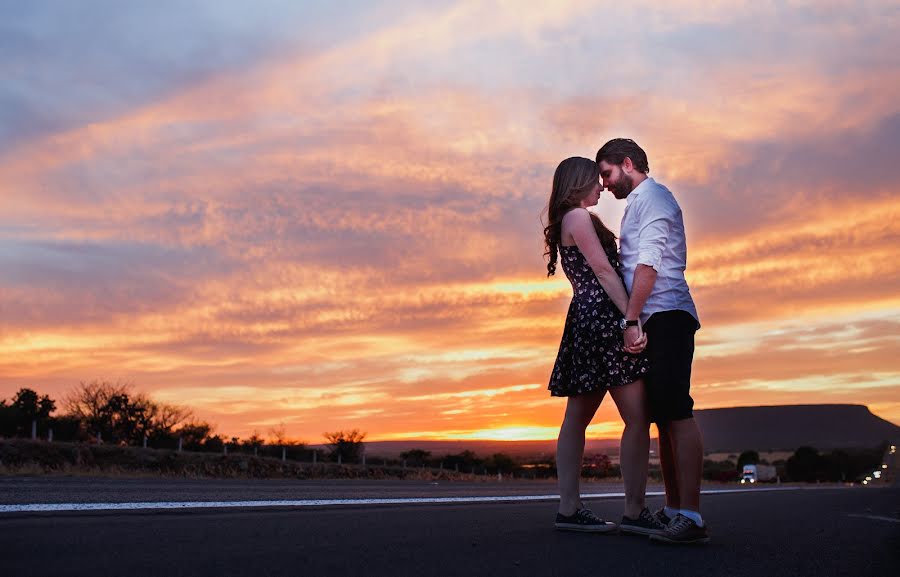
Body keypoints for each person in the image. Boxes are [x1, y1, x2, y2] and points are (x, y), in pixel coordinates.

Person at [544, 157, 667, 536]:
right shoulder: (578, 218)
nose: (601, 187)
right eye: (596, 181)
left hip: (587, 322)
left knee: (577, 420)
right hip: (602, 322)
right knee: (635, 418)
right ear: (579, 183)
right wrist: (631, 320)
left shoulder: (573, 219)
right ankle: (632, 511)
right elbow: (603, 271)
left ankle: (570, 508)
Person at [596, 138, 709, 544]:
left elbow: (649, 264)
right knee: (662, 417)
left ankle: (693, 517)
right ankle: (675, 508)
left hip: (668, 315)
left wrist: (631, 319)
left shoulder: (655, 198)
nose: (605, 184)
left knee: (677, 412)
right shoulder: (636, 206)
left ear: (628, 164)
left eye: (607, 174)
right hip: (651, 318)